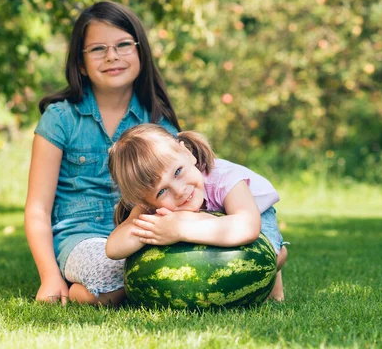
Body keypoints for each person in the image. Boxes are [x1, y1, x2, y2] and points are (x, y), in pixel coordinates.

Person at [24, 1, 180, 306]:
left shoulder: (157, 121)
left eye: (123, 45)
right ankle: (98, 288)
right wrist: (49, 277)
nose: (112, 56)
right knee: (109, 269)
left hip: (140, 235)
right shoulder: (60, 119)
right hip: (81, 240)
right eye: (97, 49)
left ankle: (97, 293)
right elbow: (37, 210)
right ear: (81, 63)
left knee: (167, 260)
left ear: (140, 53)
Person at [106, 124, 288, 301]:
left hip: (254, 214)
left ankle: (279, 260)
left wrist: (180, 229)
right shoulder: (148, 205)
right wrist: (154, 229)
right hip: (211, 224)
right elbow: (113, 248)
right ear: (145, 202)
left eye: (178, 172)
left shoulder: (225, 179)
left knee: (268, 260)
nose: (179, 190)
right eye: (162, 191)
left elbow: (247, 227)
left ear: (187, 154)